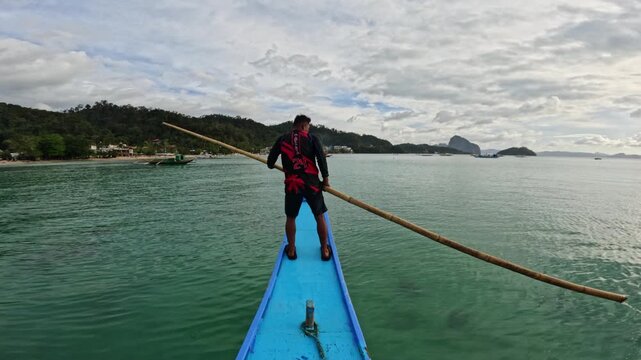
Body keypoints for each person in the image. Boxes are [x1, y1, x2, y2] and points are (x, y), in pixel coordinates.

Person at [267, 114, 331, 261]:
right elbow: (321, 159)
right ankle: (325, 250)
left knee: (291, 217)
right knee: (319, 216)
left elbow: (270, 163)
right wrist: (325, 180)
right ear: (303, 126)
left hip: (292, 184)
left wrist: (279, 165)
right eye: (308, 126)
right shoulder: (312, 138)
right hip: (311, 184)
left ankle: (291, 250)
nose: (308, 129)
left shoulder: (282, 139)